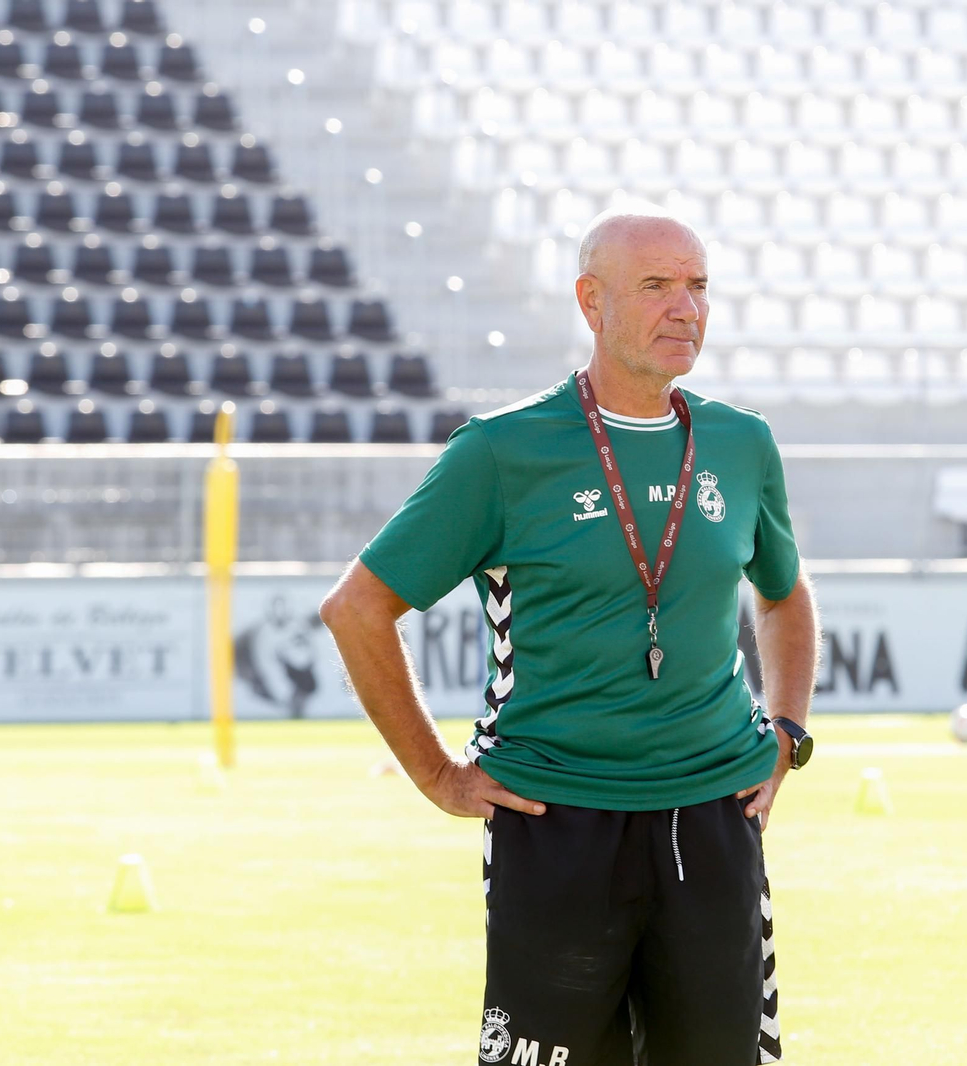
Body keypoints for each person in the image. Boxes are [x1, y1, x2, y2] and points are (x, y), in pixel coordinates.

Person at [319, 204, 821, 1066]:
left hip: (715, 816)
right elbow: (357, 608)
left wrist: (789, 733)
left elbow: (783, 596)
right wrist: (437, 774)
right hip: (558, 821)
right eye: (657, 286)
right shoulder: (502, 452)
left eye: (698, 286)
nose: (686, 308)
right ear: (592, 302)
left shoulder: (742, 443)